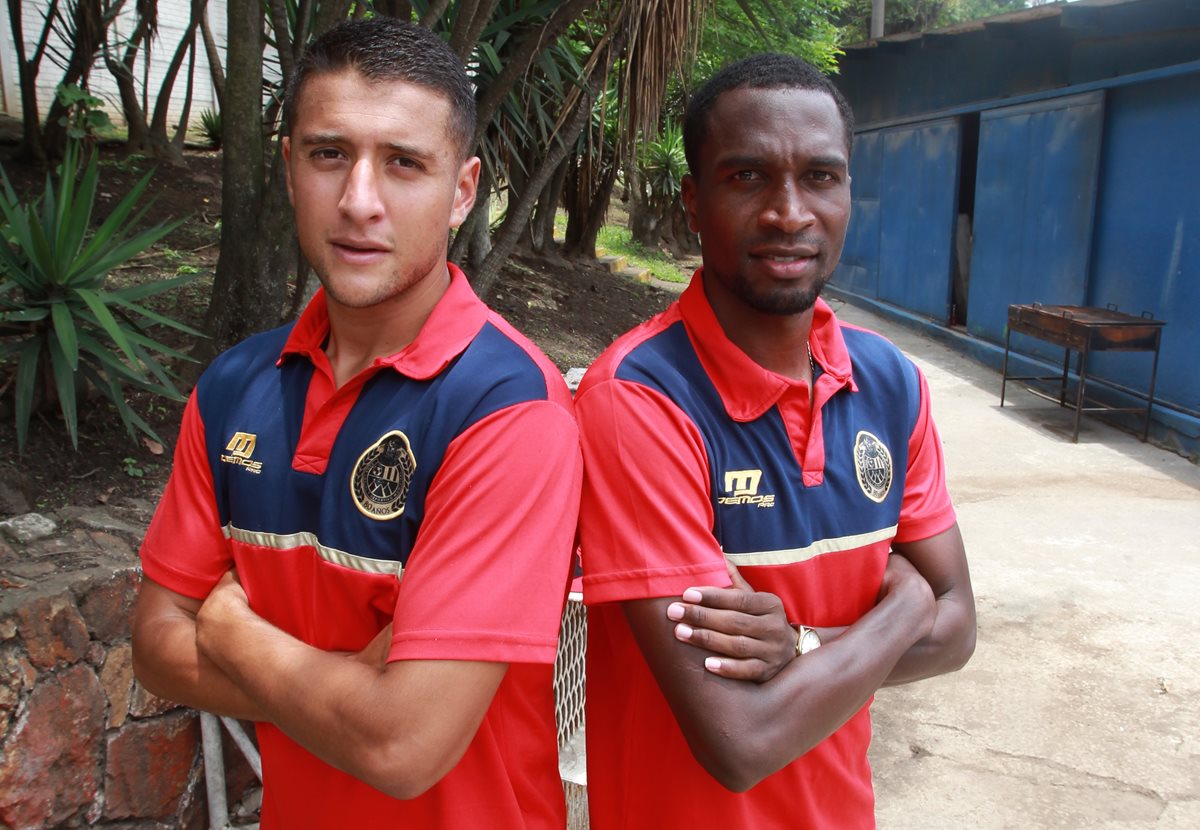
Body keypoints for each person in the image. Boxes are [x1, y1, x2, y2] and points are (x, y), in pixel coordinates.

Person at [131, 18, 581, 829]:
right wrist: (353, 688)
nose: (358, 201)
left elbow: (402, 749)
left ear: (464, 191)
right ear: (290, 167)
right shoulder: (236, 386)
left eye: (404, 163)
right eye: (328, 154)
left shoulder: (509, 409)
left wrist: (231, 630)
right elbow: (157, 646)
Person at [575, 53, 976, 829]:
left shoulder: (889, 381)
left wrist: (802, 643)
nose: (789, 213)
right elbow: (739, 736)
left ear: (849, 192)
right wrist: (904, 605)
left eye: (821, 177)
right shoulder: (640, 399)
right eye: (747, 177)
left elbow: (960, 631)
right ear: (693, 201)